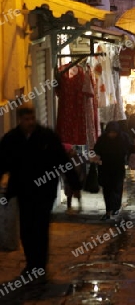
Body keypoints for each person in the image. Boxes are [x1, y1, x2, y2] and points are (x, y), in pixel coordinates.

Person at [0, 104, 82, 281]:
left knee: (40, 227)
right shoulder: (12, 139)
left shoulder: (47, 137)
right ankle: (31, 263)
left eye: (31, 119)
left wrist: (74, 184)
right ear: (19, 120)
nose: (29, 122)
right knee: (26, 229)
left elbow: (63, 160)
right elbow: (2, 162)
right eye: (26, 119)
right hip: (23, 190)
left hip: (45, 191)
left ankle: (39, 266)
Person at [94, 121, 132, 220]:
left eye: (114, 132)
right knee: (107, 189)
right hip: (105, 168)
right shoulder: (102, 139)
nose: (112, 134)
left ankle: (115, 207)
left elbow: (129, 148)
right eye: (110, 132)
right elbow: (96, 150)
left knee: (117, 188)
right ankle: (108, 211)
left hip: (118, 168)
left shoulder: (123, 138)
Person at [62, 143, 85, 213]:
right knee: (69, 194)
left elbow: (81, 169)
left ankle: (79, 206)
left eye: (72, 150)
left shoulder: (77, 158)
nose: (72, 152)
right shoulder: (66, 159)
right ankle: (69, 207)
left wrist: (81, 177)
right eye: (70, 151)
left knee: (77, 193)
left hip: (76, 178)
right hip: (69, 179)